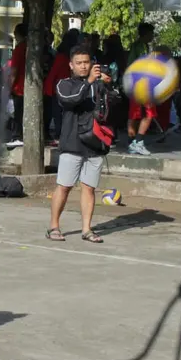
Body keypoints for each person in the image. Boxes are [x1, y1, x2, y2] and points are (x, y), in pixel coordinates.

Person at [48, 46, 110, 244]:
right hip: (72, 143)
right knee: (64, 186)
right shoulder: (64, 84)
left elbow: (111, 107)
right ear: (71, 65)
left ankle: (87, 229)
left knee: (89, 188)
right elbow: (70, 101)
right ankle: (54, 226)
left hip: (94, 144)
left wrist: (109, 86)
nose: (84, 66)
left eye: (87, 62)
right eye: (79, 63)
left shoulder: (97, 84)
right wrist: (90, 81)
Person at [126, 22, 155, 156]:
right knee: (148, 114)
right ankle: (138, 141)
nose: (153, 36)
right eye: (151, 33)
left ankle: (132, 142)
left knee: (135, 114)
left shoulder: (141, 47)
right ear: (146, 34)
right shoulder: (139, 47)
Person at [8, 23, 27, 145]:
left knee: (17, 113)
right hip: (29, 86)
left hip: (19, 87)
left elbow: (14, 70)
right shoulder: (31, 47)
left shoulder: (19, 49)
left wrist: (9, 86)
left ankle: (17, 136)